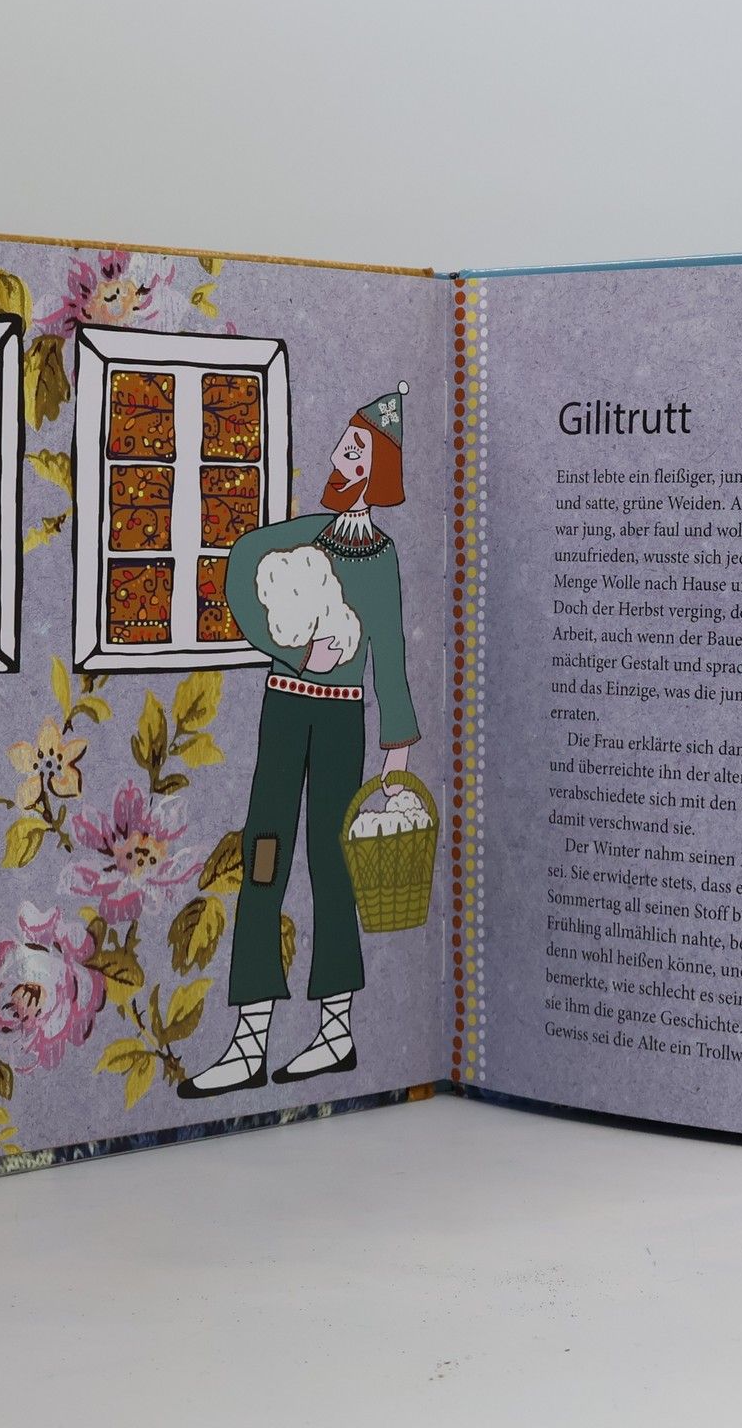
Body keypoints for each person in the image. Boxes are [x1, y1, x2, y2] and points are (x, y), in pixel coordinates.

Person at [177, 384, 417, 1097]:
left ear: (378, 472)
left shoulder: (382, 558)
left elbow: (391, 654)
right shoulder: (302, 534)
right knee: (264, 856)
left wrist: (397, 752)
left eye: (356, 451)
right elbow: (239, 568)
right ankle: (249, 1039)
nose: (341, 458)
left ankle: (336, 1030)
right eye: (344, 445)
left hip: (342, 721)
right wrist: (288, 650)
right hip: (285, 711)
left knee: (334, 865)